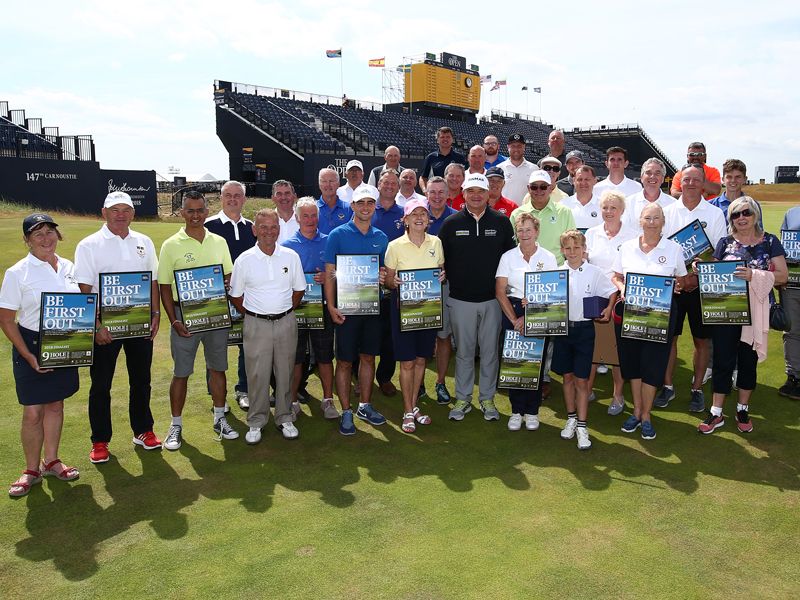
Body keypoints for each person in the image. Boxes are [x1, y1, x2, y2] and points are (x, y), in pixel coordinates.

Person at [74, 191, 161, 464]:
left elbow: (153, 281)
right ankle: (100, 440)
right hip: (105, 329)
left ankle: (143, 430)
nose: (120, 214)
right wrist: (96, 325)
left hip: (138, 323)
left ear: (133, 214)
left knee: (141, 380)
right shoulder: (89, 245)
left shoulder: (144, 242)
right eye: (115, 210)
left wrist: (156, 313)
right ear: (104, 212)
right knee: (101, 385)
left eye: (126, 209)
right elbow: (83, 288)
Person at [1, 214, 81, 496]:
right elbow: (7, 319)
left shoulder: (69, 266)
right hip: (32, 344)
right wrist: (27, 354)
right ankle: (31, 469)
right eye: (38, 234)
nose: (46, 238)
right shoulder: (17, 273)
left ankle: (52, 460)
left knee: (56, 405)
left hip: (64, 342)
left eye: (49, 232)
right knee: (33, 412)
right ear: (27, 240)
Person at [698, 197, 788, 434]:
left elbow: (783, 276)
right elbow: (714, 274)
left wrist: (754, 275)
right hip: (727, 311)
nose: (741, 218)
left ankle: (742, 408)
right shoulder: (724, 243)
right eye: (735, 214)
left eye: (746, 213)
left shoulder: (770, 241)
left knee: (748, 362)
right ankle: (716, 412)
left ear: (755, 214)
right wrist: (702, 269)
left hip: (757, 311)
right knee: (723, 361)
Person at [158, 191, 237, 450]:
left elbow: (228, 276)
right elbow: (165, 287)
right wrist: (173, 320)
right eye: (190, 211)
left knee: (218, 368)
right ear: (182, 212)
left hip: (215, 314)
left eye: (200, 210)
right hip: (185, 316)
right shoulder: (171, 245)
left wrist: (226, 283)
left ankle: (219, 418)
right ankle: (176, 425)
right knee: (181, 373)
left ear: (206, 211)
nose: (195, 216)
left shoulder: (219, 241)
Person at [439, 173, 515, 421]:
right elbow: (441, 262)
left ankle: (487, 399)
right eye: (471, 191)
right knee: (463, 352)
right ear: (463, 192)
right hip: (460, 299)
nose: (475, 195)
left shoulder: (502, 222)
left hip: (493, 300)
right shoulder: (450, 224)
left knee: (491, 352)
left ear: (487, 194)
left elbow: (510, 261)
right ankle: (463, 398)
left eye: (480, 191)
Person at [229, 208, 306, 443]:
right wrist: (256, 314)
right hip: (256, 324)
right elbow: (237, 297)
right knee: (257, 374)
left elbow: (299, 290)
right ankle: (256, 421)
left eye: (273, 227)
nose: (269, 232)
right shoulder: (244, 260)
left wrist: (282, 310)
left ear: (279, 229)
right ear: (255, 230)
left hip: (285, 321)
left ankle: (284, 417)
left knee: (285, 372)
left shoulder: (291, 256)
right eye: (263, 227)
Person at [612, 203, 687, 440]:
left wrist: (679, 286)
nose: (652, 222)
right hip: (632, 313)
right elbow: (616, 275)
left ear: (663, 221)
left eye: (656, 218)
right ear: (640, 221)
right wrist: (623, 288)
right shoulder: (626, 247)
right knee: (633, 364)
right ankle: (635, 410)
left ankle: (646, 415)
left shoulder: (674, 249)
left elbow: (683, 281)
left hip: (661, 315)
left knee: (653, 365)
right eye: (647, 218)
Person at [660, 164, 727, 412]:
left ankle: (697, 389)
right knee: (670, 340)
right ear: (679, 183)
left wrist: (695, 278)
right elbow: (661, 252)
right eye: (686, 179)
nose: (690, 184)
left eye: (695, 180)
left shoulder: (714, 214)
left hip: (701, 287)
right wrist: (680, 279)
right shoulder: (667, 212)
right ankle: (667, 387)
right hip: (675, 287)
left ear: (703, 184)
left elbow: (718, 254)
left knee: (702, 341)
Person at [324, 186, 389, 435]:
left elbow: (385, 274)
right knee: (343, 361)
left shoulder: (381, 237)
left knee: (368, 357)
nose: (365, 207)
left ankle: (364, 405)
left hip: (372, 308)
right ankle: (346, 411)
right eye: (360, 203)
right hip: (346, 310)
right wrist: (331, 305)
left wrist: (385, 277)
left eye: (370, 203)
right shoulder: (338, 235)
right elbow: (331, 273)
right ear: (352, 206)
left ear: (375, 206)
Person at [552, 231, 618, 450]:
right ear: (562, 250)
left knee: (582, 380)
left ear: (584, 249)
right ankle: (571, 418)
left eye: (577, 247)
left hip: (584, 331)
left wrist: (608, 309)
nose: (572, 252)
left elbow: (611, 292)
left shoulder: (594, 272)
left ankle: (582, 425)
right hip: (562, 331)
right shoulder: (556, 273)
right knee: (567, 377)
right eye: (568, 248)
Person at [384, 198, 445, 433]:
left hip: (427, 310)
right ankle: (408, 410)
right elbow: (388, 280)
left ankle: (414, 405)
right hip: (403, 310)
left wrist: (442, 276)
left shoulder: (436, 243)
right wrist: (393, 281)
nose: (419, 217)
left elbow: (440, 271)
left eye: (423, 214)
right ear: (405, 220)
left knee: (421, 359)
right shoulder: (394, 246)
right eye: (414, 214)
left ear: (428, 220)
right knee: (407, 362)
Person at [495, 213, 557, 432]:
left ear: (537, 231)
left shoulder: (548, 257)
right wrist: (515, 319)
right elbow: (500, 291)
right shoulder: (508, 257)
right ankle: (516, 411)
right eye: (520, 230)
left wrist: (530, 315)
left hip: (539, 311)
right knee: (516, 363)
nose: (524, 234)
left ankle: (532, 411)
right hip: (512, 309)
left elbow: (552, 292)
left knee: (535, 363)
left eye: (528, 230)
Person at [281, 197, 340, 420]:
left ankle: (327, 400)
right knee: (295, 358)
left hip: (322, 309)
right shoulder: (286, 247)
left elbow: (340, 274)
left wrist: (329, 276)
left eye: (313, 215)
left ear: (319, 217)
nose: (309, 219)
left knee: (325, 357)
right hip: (295, 310)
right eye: (304, 215)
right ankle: (293, 400)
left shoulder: (329, 241)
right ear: (296, 218)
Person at [205, 180, 257, 410]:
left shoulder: (252, 227)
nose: (233, 199)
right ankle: (216, 394)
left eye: (238, 195)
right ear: (221, 197)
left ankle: (243, 389)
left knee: (247, 345)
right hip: (217, 297)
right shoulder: (208, 226)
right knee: (216, 345)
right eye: (228, 195)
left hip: (247, 297)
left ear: (244, 199)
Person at [585, 191, 638, 415]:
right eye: (605, 207)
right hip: (593, 295)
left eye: (613, 208)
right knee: (592, 345)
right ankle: (587, 389)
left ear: (622, 210)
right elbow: (585, 263)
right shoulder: (591, 233)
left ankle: (618, 394)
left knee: (616, 350)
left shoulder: (632, 235)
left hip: (619, 297)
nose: (608, 212)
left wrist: (617, 291)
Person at [370, 171, 405, 396]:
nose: (390, 186)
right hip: (367, 283)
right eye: (386, 182)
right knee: (367, 333)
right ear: (379, 184)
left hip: (394, 284)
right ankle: (358, 376)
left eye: (394, 183)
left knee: (390, 336)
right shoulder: (367, 209)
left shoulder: (404, 214)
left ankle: (384, 377)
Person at [425, 176, 456, 404]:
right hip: (419, 288)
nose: (436, 196)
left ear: (448, 194)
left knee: (443, 336)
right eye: (432, 192)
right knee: (420, 336)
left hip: (445, 286)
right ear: (426, 194)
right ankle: (416, 385)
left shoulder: (456, 218)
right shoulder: (415, 215)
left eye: (440, 192)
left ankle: (441, 382)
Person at [509, 170, 576, 262]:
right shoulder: (517, 214)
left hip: (555, 269)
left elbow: (571, 243)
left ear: (550, 188)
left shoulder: (564, 212)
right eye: (534, 187)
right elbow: (512, 244)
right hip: (525, 268)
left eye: (543, 187)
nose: (538, 190)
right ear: (529, 188)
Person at [779, 205, 800, 399]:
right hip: (792, 283)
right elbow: (783, 250)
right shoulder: (791, 213)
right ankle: (794, 376)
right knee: (791, 331)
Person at [622, 158, 676, 233]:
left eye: (657, 173)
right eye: (648, 173)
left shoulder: (673, 204)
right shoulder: (628, 203)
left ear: (663, 179)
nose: (652, 176)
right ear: (641, 177)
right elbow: (624, 231)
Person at [710, 159, 763, 228]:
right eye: (729, 177)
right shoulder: (711, 205)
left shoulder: (753, 205)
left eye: (738, 177)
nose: (733, 181)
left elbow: (758, 233)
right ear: (723, 179)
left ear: (745, 179)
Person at [420, 126, 466, 193]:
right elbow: (423, 178)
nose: (445, 139)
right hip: (437, 196)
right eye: (442, 137)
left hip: (456, 196)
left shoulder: (460, 158)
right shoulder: (431, 157)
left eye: (448, 137)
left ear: (452, 139)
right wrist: (425, 191)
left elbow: (465, 177)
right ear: (437, 140)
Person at [498, 133, 536, 205]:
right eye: (513, 146)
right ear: (508, 147)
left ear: (524, 147)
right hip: (505, 212)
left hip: (526, 212)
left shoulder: (534, 169)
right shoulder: (499, 168)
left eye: (519, 146)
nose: (516, 149)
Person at [561, 165, 603, 230]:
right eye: (579, 179)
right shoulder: (563, 205)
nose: (583, 183)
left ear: (595, 181)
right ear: (574, 181)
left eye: (587, 179)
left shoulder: (603, 205)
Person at [317, 168, 353, 235]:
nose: (328, 184)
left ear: (338, 184)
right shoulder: (312, 208)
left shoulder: (349, 208)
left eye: (331, 181)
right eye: (324, 181)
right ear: (319, 184)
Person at [273, 179, 300, 244]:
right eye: (279, 194)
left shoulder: (304, 220)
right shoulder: (266, 221)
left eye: (287, 193)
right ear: (273, 198)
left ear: (295, 196)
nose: (283, 197)